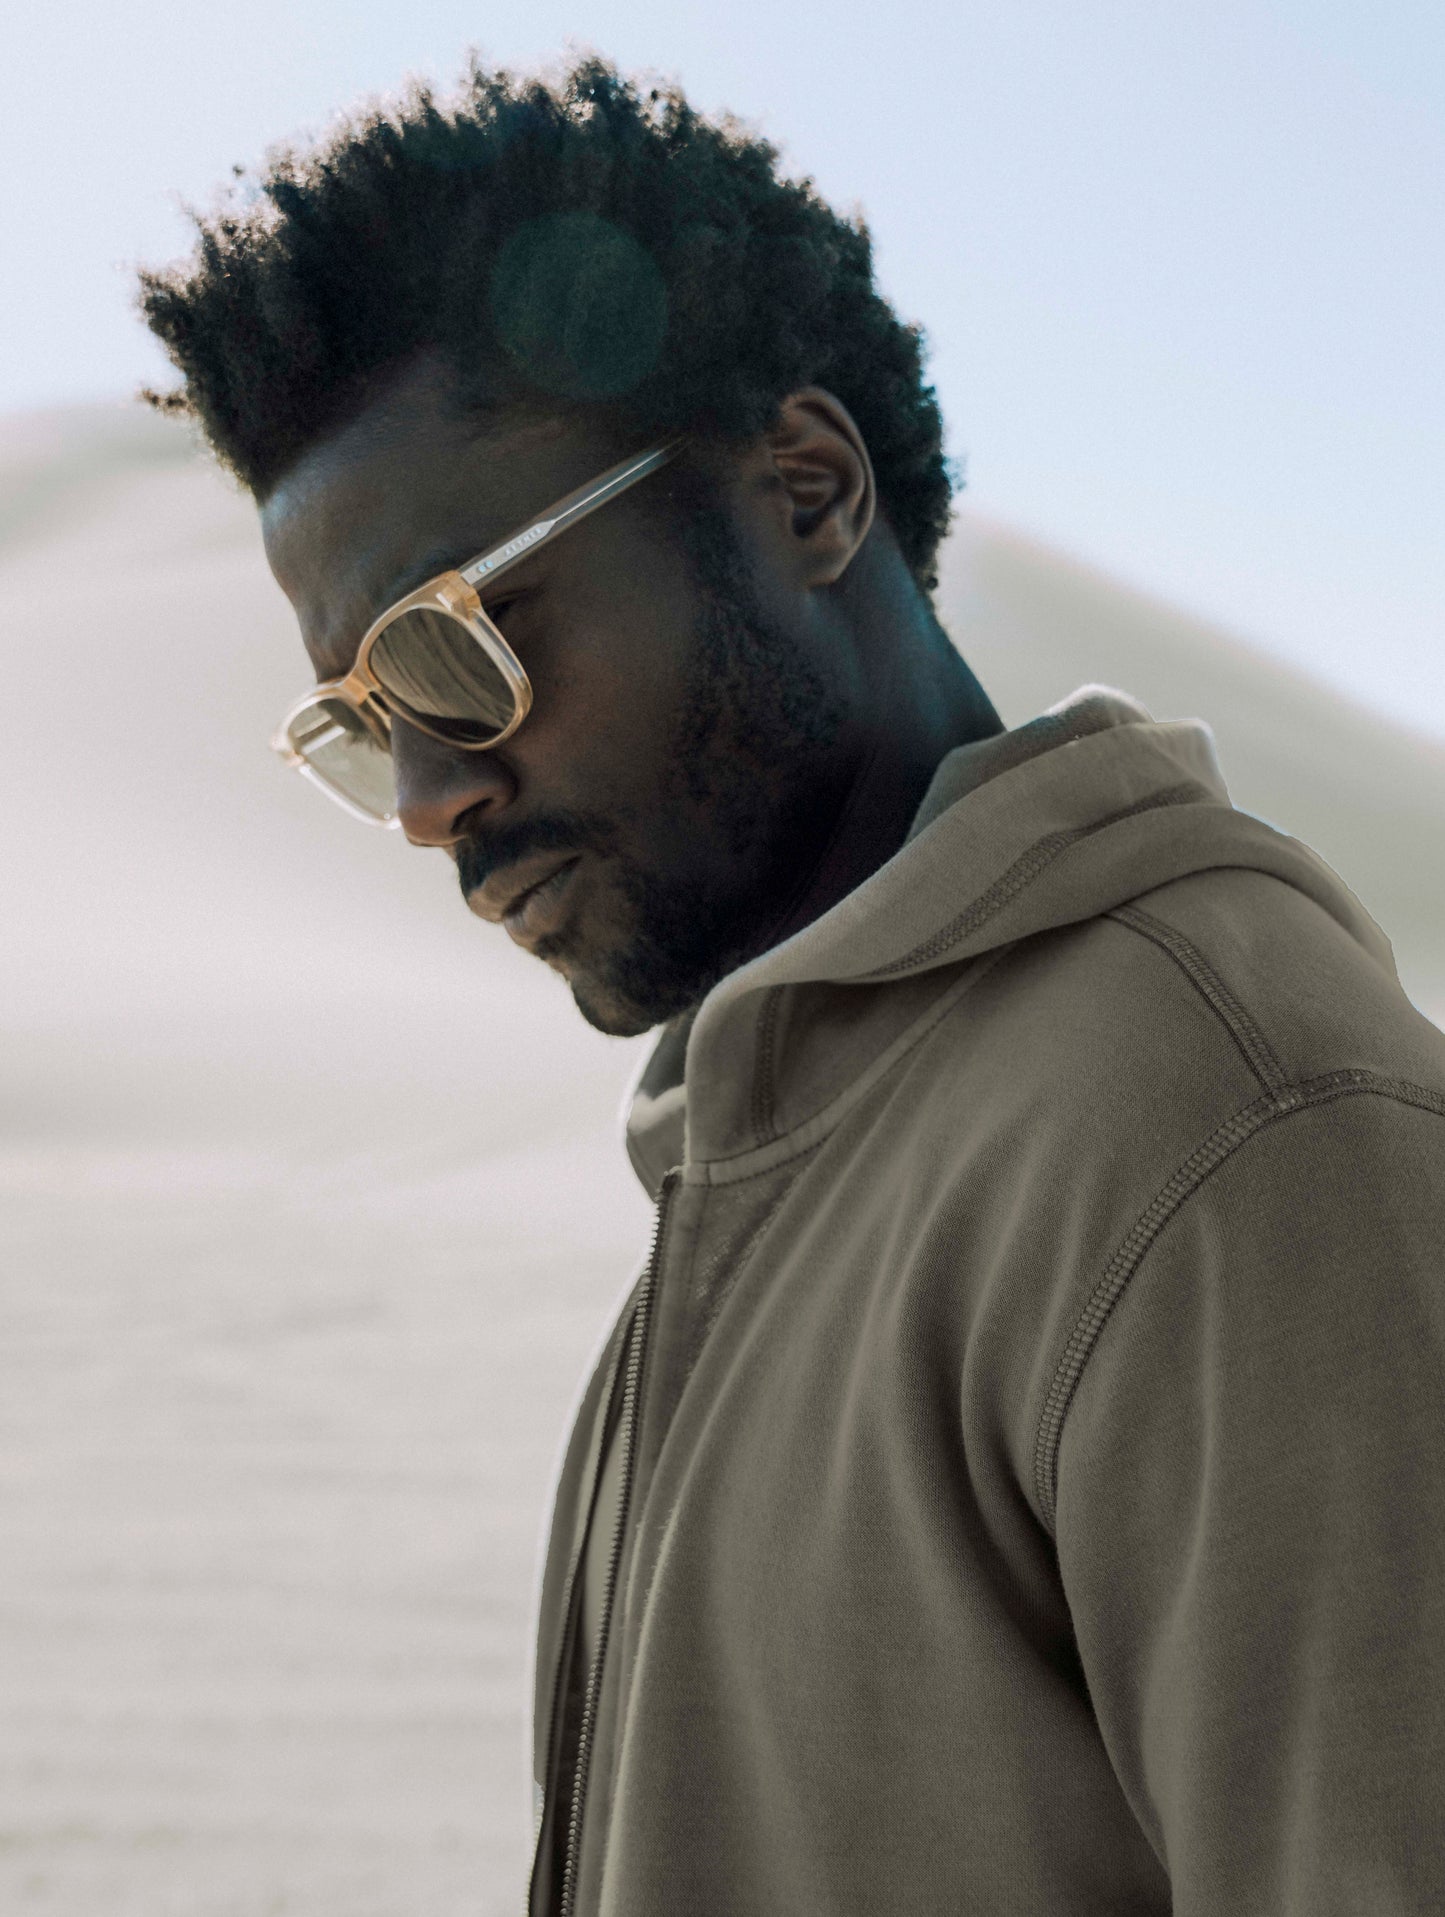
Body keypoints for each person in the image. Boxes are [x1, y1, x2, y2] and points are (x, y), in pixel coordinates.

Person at [138, 54, 1445, 1917]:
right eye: (355, 725)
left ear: (806, 491)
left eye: (451, 651)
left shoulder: (1225, 1136)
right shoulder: (769, 1153)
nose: (430, 799)